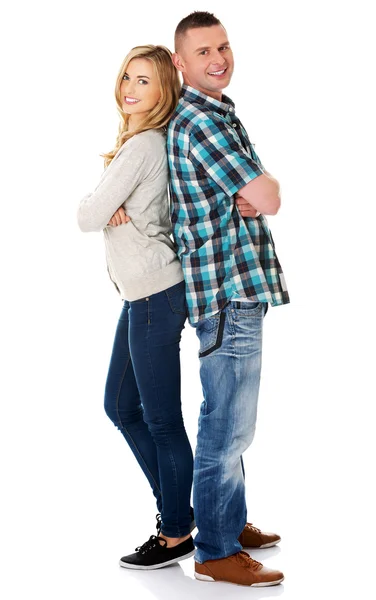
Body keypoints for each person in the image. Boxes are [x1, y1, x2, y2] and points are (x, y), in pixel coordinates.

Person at [167, 12, 290, 587]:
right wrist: (259, 190)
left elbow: (257, 197)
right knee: (227, 427)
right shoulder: (201, 121)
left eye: (224, 46)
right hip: (227, 290)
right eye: (203, 51)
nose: (218, 58)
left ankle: (227, 519)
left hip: (234, 287)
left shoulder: (214, 112)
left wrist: (254, 195)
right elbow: (268, 194)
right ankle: (214, 551)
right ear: (180, 63)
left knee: (234, 423)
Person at [77, 45, 196, 570]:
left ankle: (175, 533)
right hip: (143, 296)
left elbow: (85, 215)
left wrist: (104, 204)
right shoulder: (151, 144)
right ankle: (180, 510)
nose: (130, 88)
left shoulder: (142, 146)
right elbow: (101, 212)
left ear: (164, 89)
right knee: (120, 406)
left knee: (162, 420)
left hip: (153, 294)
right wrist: (108, 206)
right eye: (128, 76)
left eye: (145, 80)